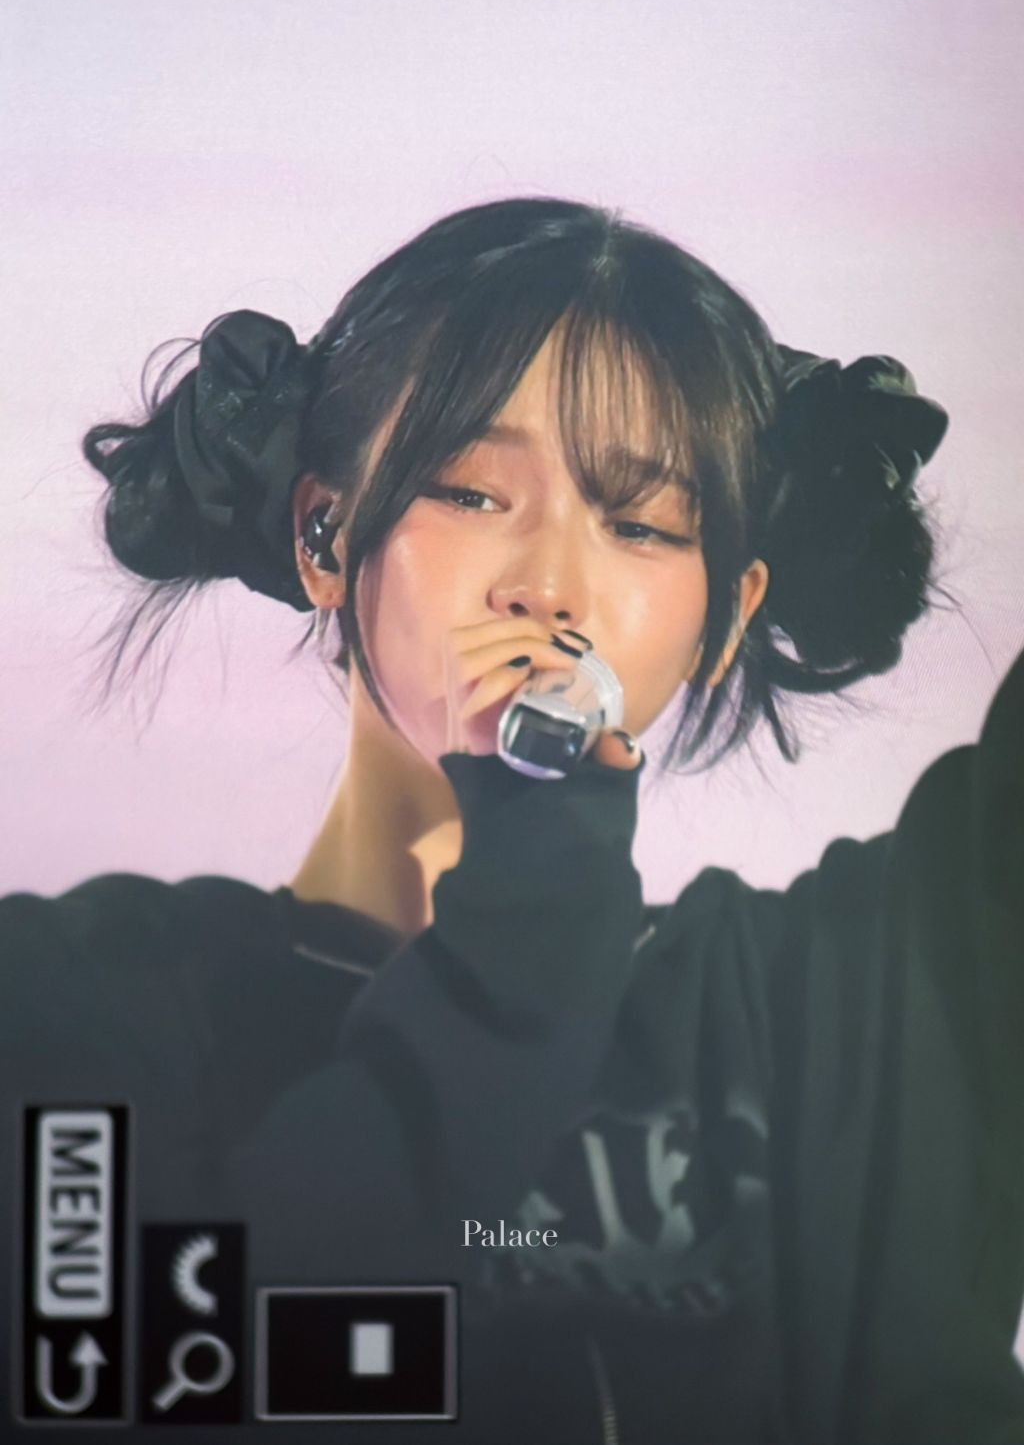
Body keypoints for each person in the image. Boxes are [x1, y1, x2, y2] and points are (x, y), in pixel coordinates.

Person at [2, 196, 1022, 1443]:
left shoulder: (864, 994)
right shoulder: (75, 998)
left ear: (727, 619)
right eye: (474, 492)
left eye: (640, 522)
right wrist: (527, 915)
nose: (550, 582)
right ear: (324, 534)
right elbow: (104, 1383)